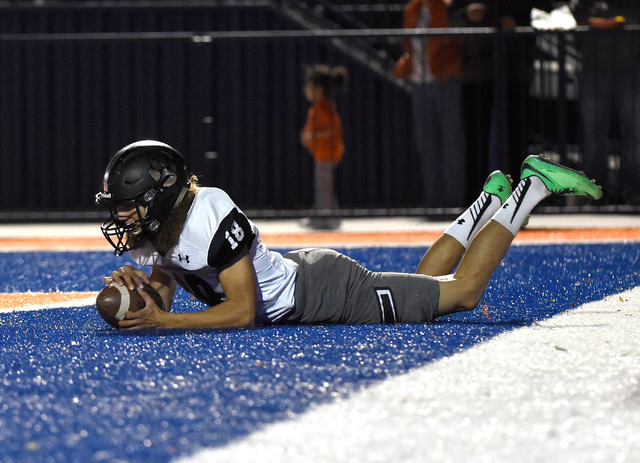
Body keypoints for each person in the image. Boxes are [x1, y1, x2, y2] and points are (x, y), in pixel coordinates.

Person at [95, 140, 602, 330]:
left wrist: (166, 323)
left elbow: (243, 312)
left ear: (159, 196)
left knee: (462, 294)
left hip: (324, 292)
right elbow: (170, 274)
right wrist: (143, 296)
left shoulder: (208, 212)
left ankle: (531, 187)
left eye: (129, 207)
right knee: (422, 290)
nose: (125, 220)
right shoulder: (165, 225)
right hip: (307, 274)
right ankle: (488, 202)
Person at [394, 0, 466, 209]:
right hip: (419, 81)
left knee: (451, 142)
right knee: (426, 144)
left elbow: (456, 41)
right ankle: (434, 202)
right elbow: (409, 45)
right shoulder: (411, 9)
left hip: (444, 79)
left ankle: (454, 202)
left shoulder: (446, 6)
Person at [571, 1, 640, 204]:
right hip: (593, 69)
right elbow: (574, 15)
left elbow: (633, 15)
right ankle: (595, 193)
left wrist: (618, 19)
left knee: (633, 134)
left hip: (629, 69)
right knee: (593, 135)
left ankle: (633, 191)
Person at [300, 64, 348, 229]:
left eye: (309, 85)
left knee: (324, 187)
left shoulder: (325, 108)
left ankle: (325, 217)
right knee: (324, 186)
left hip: (328, 153)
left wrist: (312, 135)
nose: (306, 89)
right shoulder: (318, 107)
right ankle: (326, 215)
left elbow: (330, 129)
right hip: (321, 153)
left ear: (318, 89)